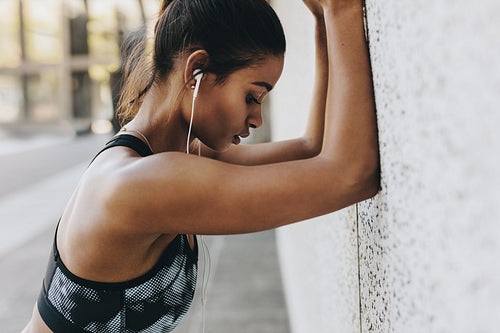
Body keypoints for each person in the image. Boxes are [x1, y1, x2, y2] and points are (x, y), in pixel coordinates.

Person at [22, 0, 379, 331]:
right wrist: (342, 10)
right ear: (198, 71)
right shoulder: (139, 184)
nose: (257, 119)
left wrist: (322, 20)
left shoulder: (170, 154)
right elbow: (351, 176)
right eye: (252, 96)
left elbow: (311, 149)